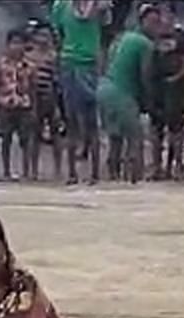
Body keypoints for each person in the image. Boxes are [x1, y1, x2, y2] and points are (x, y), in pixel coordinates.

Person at [97, 5, 158, 183]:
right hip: (121, 93)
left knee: (115, 139)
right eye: (153, 22)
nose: (156, 26)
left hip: (104, 88)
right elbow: (146, 75)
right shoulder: (145, 44)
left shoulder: (122, 38)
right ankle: (135, 180)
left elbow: (108, 63)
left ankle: (113, 178)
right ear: (143, 22)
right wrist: (150, 101)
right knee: (135, 139)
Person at [50, 0, 107, 185]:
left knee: (90, 124)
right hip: (73, 63)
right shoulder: (61, 5)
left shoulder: (99, 5)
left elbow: (58, 34)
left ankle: (93, 174)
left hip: (86, 64)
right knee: (73, 122)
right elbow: (57, 34)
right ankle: (75, 173)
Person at [147, 18, 184, 180]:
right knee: (156, 133)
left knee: (176, 132)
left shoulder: (180, 48)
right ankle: (157, 167)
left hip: (175, 96)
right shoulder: (154, 52)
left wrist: (177, 76)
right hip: (158, 95)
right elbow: (149, 74)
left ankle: (176, 167)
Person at [0, 28, 38, 181]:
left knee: (25, 140)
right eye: (13, 43)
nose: (16, 47)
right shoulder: (1, 64)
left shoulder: (30, 66)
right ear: (7, 45)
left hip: (24, 105)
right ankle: (6, 171)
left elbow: (33, 88)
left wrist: (33, 107)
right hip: (6, 105)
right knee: (6, 138)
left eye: (19, 43)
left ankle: (26, 171)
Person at [26, 25, 63, 181]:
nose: (43, 39)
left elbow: (57, 82)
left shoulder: (53, 57)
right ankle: (33, 170)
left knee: (56, 136)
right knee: (34, 135)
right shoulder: (29, 57)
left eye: (46, 36)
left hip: (50, 98)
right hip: (34, 99)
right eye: (40, 35)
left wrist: (57, 107)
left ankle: (58, 169)